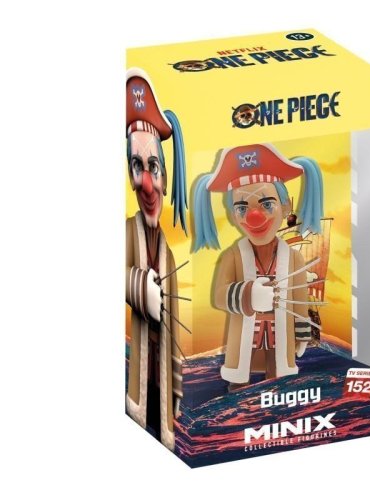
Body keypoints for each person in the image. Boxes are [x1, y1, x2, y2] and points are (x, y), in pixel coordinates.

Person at [193, 143, 324, 389]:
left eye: (266, 204)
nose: (254, 216)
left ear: (285, 207)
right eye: (242, 208)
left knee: (279, 385)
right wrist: (249, 295)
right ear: (234, 216)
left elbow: (300, 302)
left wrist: (302, 334)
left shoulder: (293, 258)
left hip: (280, 337)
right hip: (245, 338)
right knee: (238, 387)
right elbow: (219, 296)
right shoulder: (233, 255)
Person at [125, 68, 187, 448]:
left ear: (165, 176)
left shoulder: (170, 255)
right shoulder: (125, 233)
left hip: (161, 392)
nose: (147, 184)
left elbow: (175, 329)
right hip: (135, 389)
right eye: (137, 167)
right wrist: (138, 287)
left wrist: (177, 389)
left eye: (154, 168)